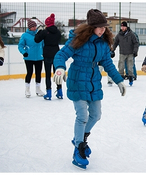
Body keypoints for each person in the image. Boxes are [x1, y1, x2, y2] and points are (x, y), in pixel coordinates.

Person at [52, 9, 126, 169]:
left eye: (104, 27)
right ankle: (78, 148)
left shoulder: (103, 42)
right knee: (82, 116)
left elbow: (107, 63)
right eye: (99, 27)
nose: (103, 30)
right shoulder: (78, 40)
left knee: (96, 115)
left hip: (93, 82)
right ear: (91, 27)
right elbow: (61, 55)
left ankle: (81, 138)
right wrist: (59, 68)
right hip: (77, 80)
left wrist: (119, 80)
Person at [34, 13, 62, 100]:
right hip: (56, 53)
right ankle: (60, 92)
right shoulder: (58, 32)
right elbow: (59, 39)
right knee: (57, 73)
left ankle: (49, 93)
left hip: (47, 55)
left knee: (47, 74)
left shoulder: (45, 32)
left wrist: (39, 32)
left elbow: (36, 40)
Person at [18, 20, 45, 98]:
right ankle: (27, 89)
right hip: (29, 57)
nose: (34, 28)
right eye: (32, 26)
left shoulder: (39, 35)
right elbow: (20, 46)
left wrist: (44, 53)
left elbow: (43, 45)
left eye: (35, 26)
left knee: (38, 73)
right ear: (29, 27)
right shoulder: (25, 35)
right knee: (29, 72)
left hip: (39, 57)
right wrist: (24, 52)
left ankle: (38, 89)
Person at [112, 21, 139, 86]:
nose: (123, 28)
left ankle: (131, 78)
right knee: (121, 66)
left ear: (126, 27)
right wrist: (112, 50)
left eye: (124, 26)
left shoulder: (131, 34)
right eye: (122, 27)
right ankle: (121, 79)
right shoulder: (119, 35)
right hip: (122, 53)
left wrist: (135, 51)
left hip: (130, 53)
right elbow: (115, 43)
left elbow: (136, 43)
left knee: (130, 67)